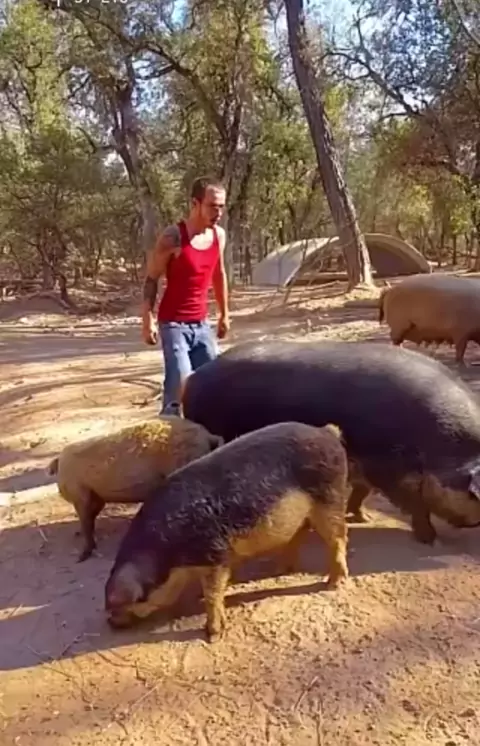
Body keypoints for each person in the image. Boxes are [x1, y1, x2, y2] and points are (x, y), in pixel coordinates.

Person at [141, 176, 230, 416]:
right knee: (179, 383)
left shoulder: (218, 236)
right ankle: (168, 426)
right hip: (173, 324)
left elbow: (219, 274)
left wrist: (224, 314)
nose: (218, 213)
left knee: (213, 383)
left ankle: (206, 432)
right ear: (195, 203)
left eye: (221, 207)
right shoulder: (173, 237)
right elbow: (152, 278)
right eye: (212, 206)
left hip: (202, 324)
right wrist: (147, 318)